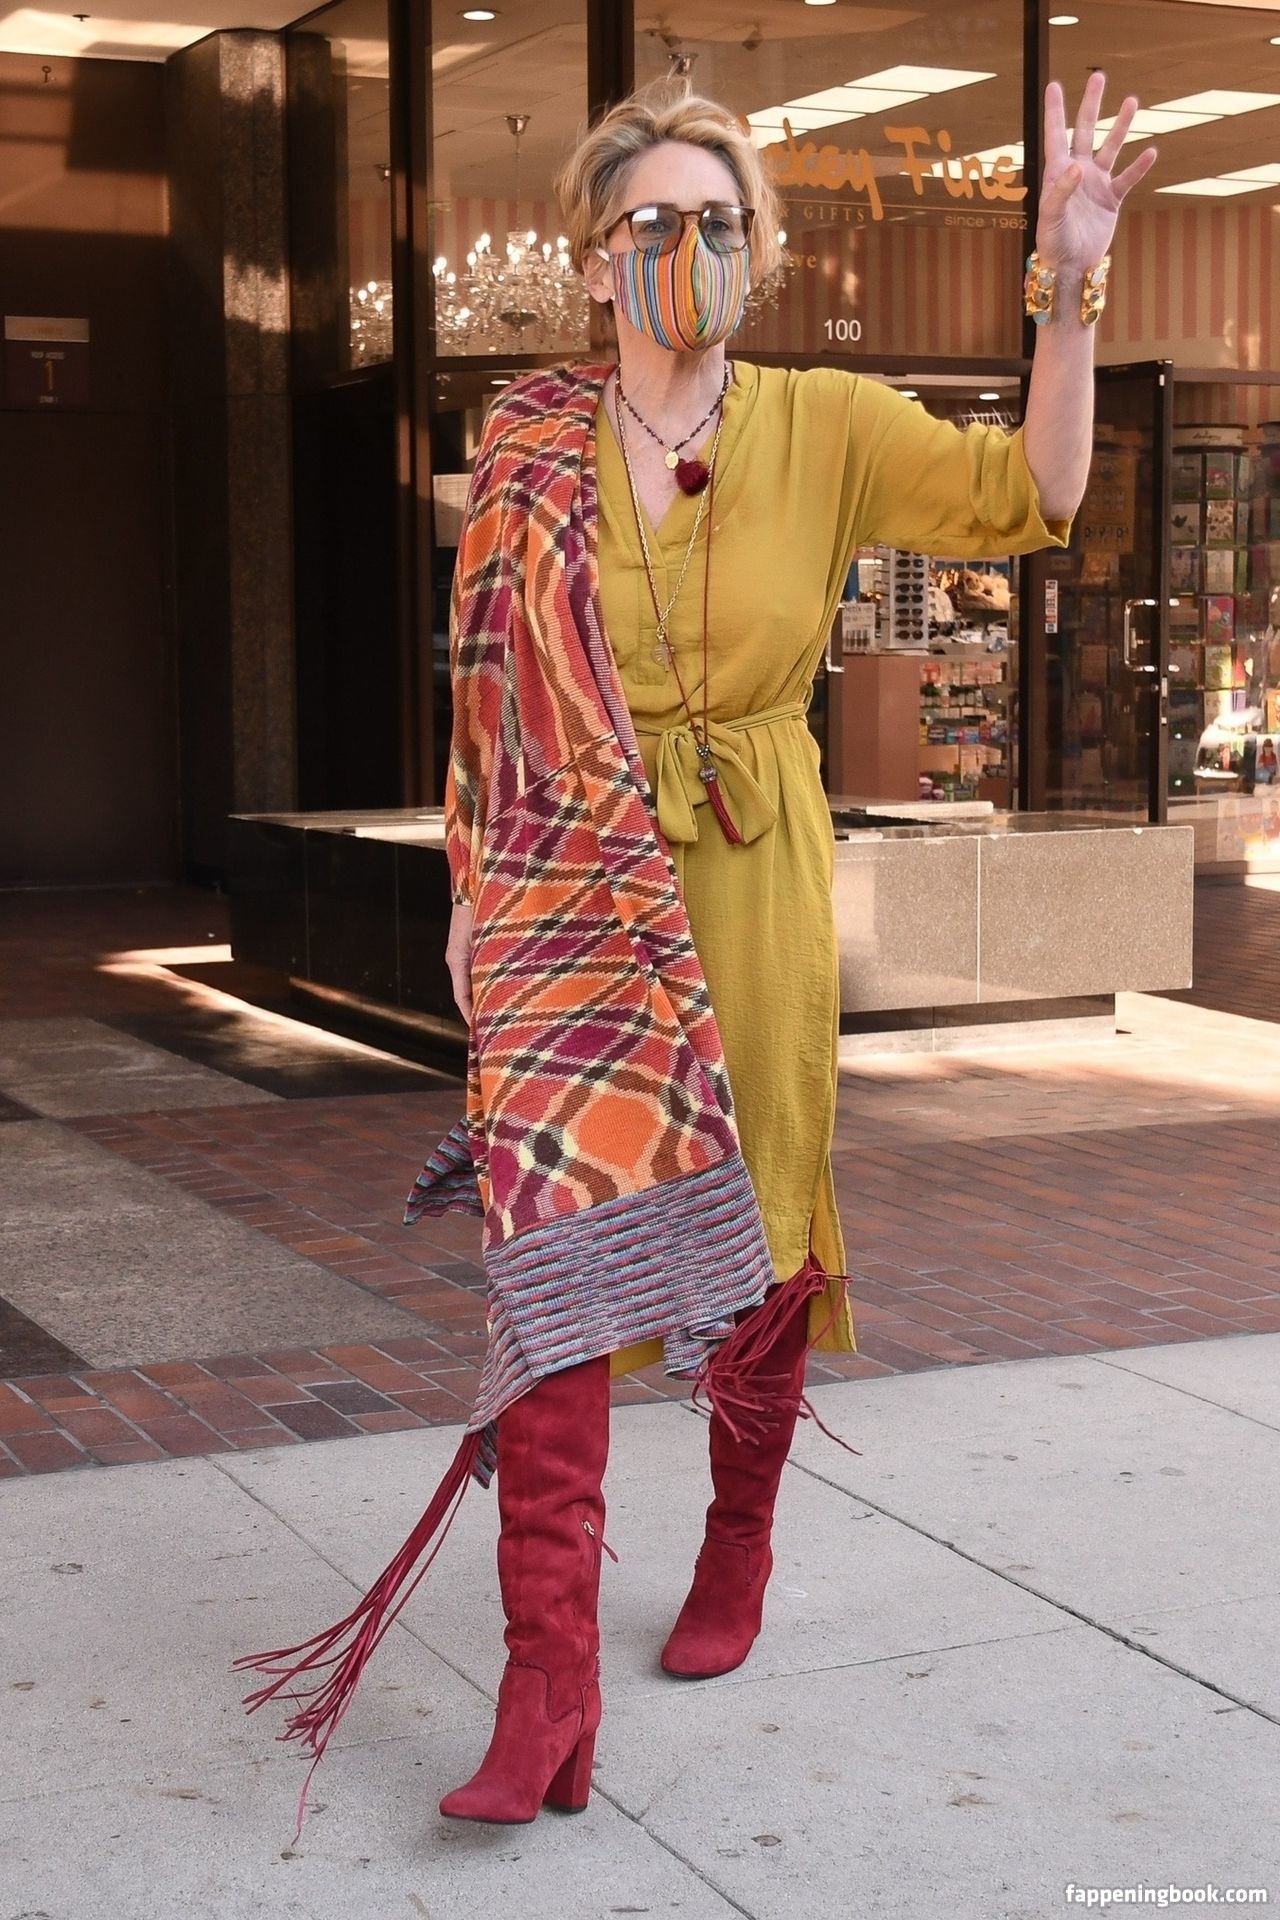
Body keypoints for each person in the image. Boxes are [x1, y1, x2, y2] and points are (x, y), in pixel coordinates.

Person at [235, 69, 1156, 1837]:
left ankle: (740, 1535)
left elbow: (1037, 488)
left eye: (721, 224)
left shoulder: (824, 422)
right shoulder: (531, 439)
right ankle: (547, 1682)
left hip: (747, 863)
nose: (689, 250)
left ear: (760, 251)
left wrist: (1070, 273)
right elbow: (490, 700)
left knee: (765, 1225)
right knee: (556, 1254)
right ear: (597, 259)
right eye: (655, 222)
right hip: (569, 877)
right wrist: (473, 895)